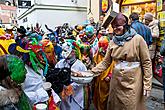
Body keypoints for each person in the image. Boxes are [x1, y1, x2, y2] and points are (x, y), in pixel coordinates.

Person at [90, 13, 152, 110]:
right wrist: (90, 73)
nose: (115, 29)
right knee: (115, 105)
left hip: (133, 81)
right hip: (116, 82)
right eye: (113, 27)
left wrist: (147, 84)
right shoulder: (113, 42)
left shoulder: (138, 39)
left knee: (130, 105)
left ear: (125, 25)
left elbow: (146, 63)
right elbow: (105, 62)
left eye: (118, 27)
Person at [55, 42, 87, 110]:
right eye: (63, 50)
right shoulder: (60, 64)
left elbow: (83, 80)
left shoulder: (81, 66)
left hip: (76, 96)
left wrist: (71, 87)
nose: (63, 53)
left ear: (73, 52)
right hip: (63, 96)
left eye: (66, 50)